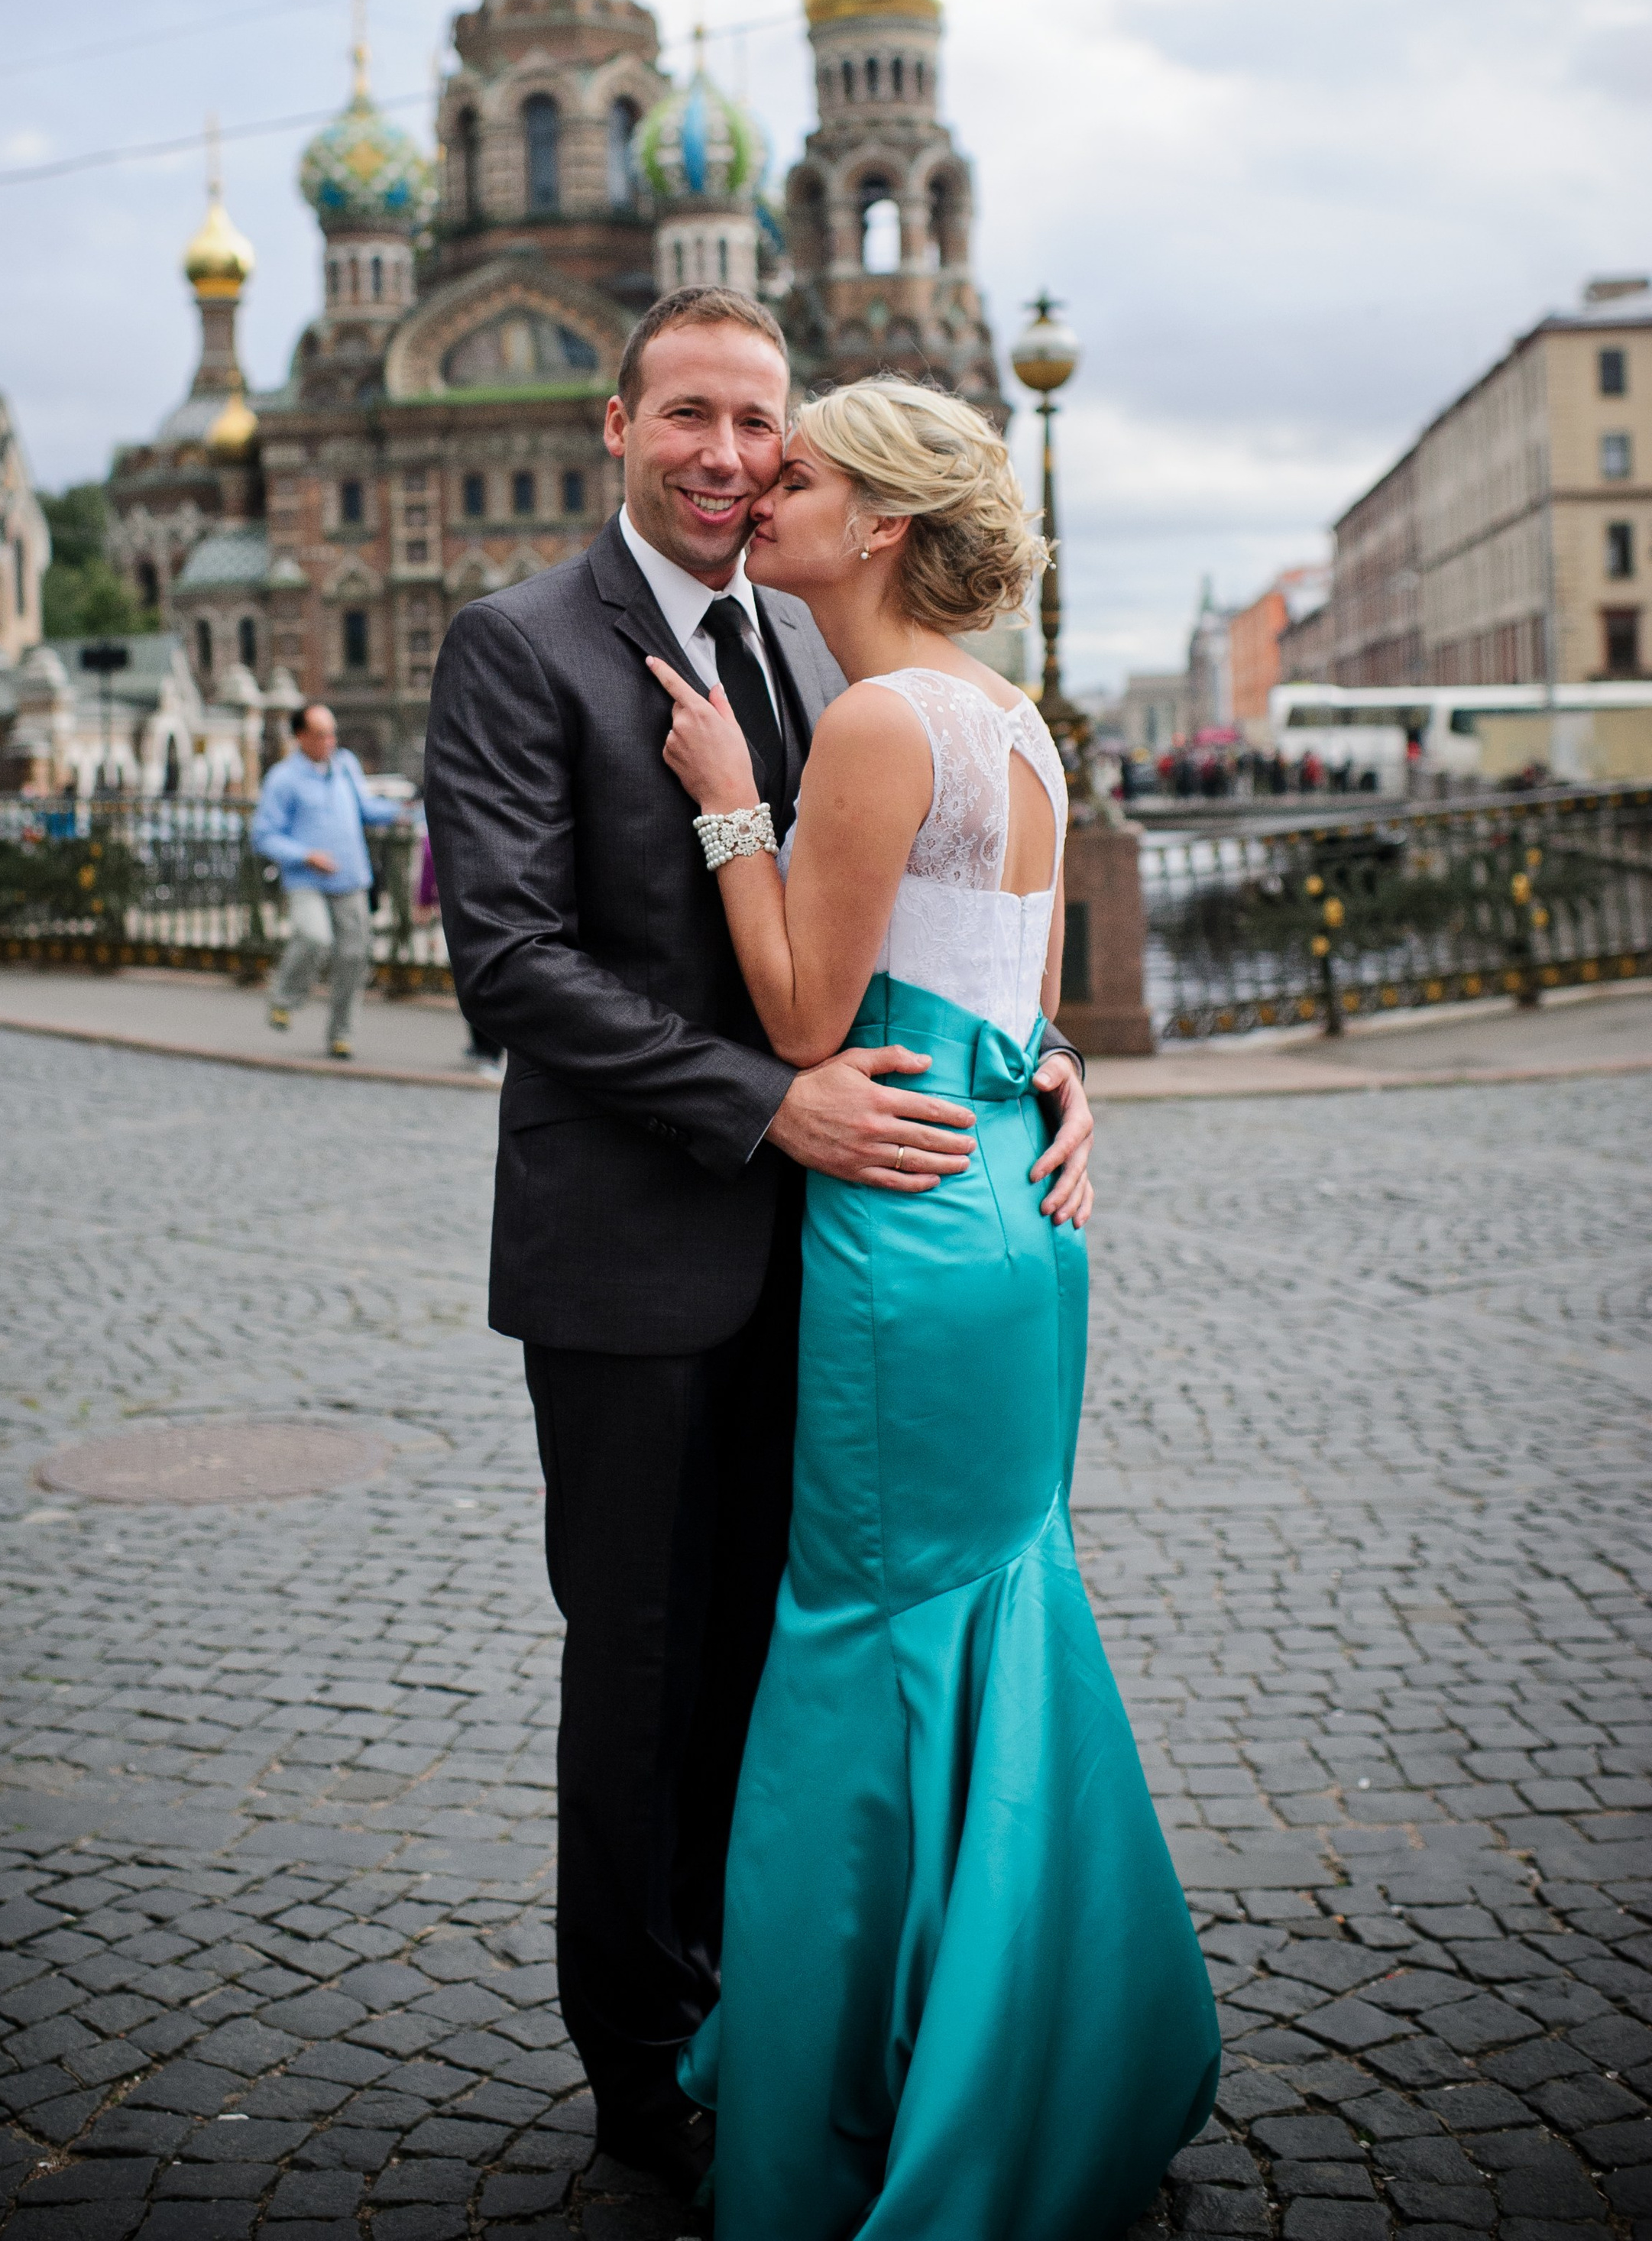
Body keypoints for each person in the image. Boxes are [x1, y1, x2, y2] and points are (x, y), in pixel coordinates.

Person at [423, 286, 1095, 2207]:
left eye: (759, 428)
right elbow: (508, 962)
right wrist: (763, 1102)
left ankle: (770, 2009)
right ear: (615, 424)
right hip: (636, 1256)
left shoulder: (819, 640)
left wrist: (1037, 1056)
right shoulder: (518, 642)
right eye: (689, 416)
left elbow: (918, 909)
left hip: (841, 1252)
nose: (727, 457)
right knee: (640, 1664)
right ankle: (643, 2061)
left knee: (777, 1657)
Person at [646, 375, 1220, 2238]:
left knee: (858, 1640)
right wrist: (1064, 1077)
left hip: (900, 1228)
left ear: (880, 524)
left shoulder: (878, 719)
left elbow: (805, 1015)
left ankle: (860, 2099)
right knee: (997, 1621)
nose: (762, 489)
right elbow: (1018, 1010)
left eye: (798, 473)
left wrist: (729, 809)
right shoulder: (1012, 720)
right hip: (1014, 1216)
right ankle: (1032, 2046)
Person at [251, 702, 397, 1059]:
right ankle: (284, 998)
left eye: (332, 733)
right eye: (321, 735)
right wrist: (305, 855)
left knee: (354, 956)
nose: (330, 741)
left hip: (351, 876)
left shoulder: (346, 766)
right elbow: (263, 835)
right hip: (307, 879)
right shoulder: (284, 778)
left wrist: (405, 811)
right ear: (301, 736)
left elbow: (365, 809)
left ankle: (341, 1034)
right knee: (314, 936)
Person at [414, 832, 504, 1076]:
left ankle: (490, 1049)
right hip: (469, 907)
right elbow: (430, 855)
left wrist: (424, 900)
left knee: (482, 976)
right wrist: (425, 900)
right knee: (470, 976)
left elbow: (431, 854)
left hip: (480, 907)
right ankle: (481, 1044)